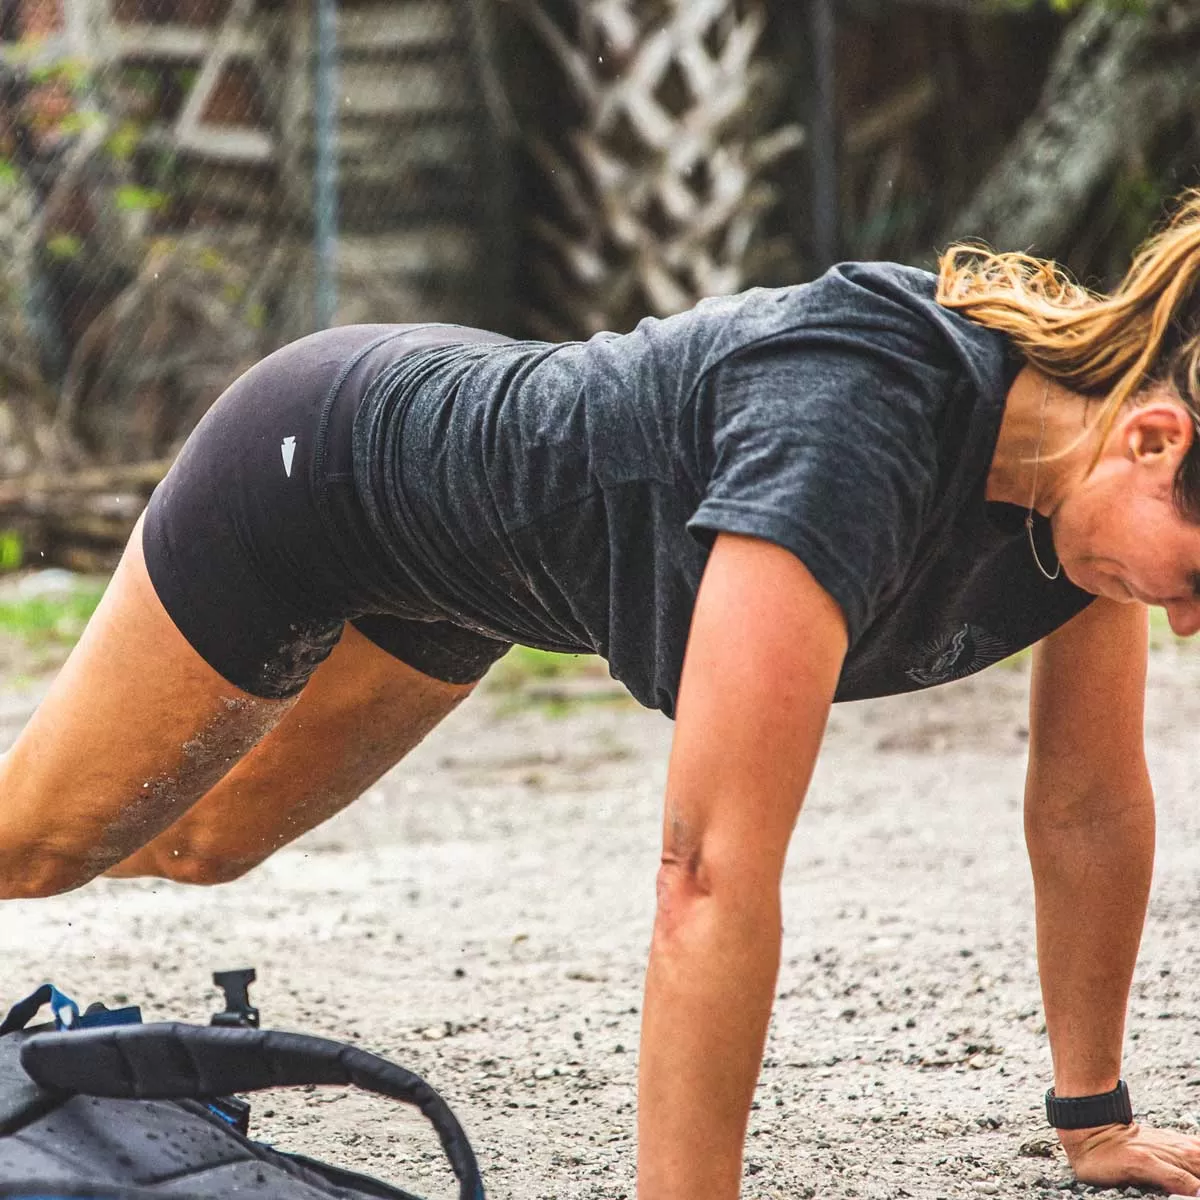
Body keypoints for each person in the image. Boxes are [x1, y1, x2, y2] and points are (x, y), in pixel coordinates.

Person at [4, 189, 1200, 1198]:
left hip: (468, 581)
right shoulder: (849, 428)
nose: (1188, 621)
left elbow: (1089, 802)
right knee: (38, 843)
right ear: (1152, 441)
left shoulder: (1078, 509)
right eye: (1197, 580)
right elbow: (709, 874)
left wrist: (1094, 1122)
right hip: (318, 470)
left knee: (204, 844)